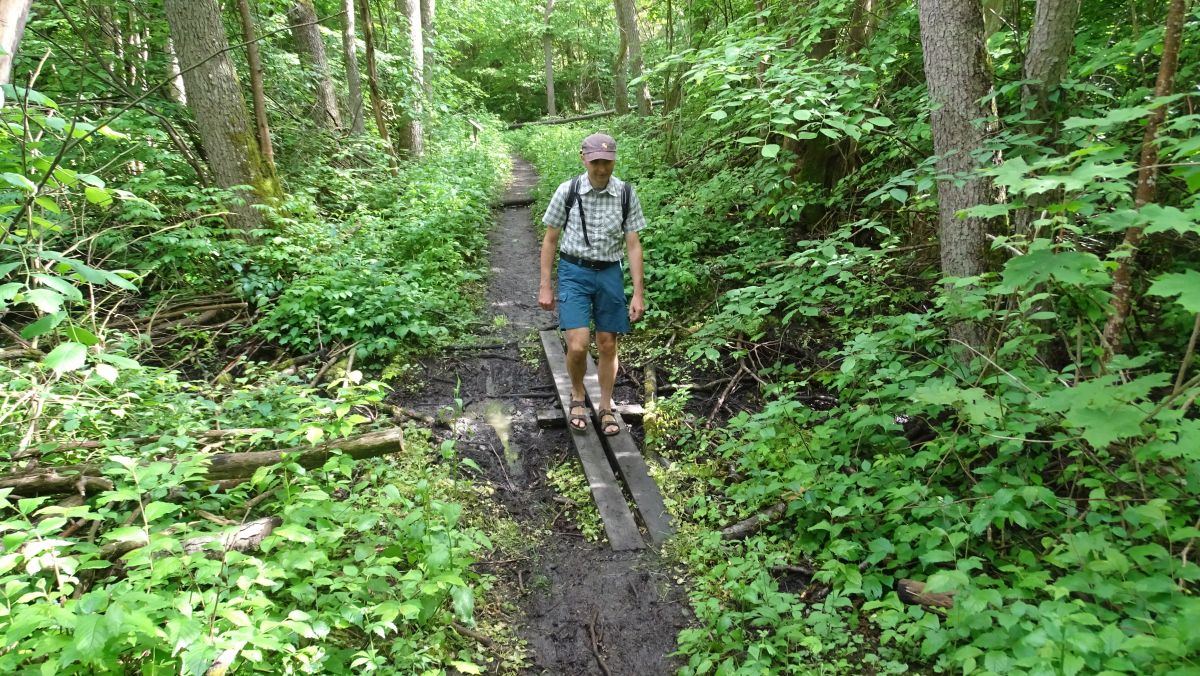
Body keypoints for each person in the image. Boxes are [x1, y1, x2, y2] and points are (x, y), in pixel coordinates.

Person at [538, 132, 646, 436]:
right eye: (596, 162)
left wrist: (638, 292)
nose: (602, 168)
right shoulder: (568, 191)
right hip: (574, 271)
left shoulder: (625, 194)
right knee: (577, 344)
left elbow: (634, 244)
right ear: (584, 158)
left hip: (610, 272)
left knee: (608, 343)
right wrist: (546, 285)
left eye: (607, 162)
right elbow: (550, 240)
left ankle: (606, 406)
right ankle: (577, 396)